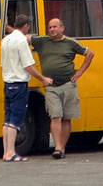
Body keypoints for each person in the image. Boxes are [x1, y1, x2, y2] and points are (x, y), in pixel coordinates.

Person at [32, 17, 95, 160]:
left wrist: (79, 73)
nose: (52, 30)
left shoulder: (70, 43)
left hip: (68, 84)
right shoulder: (42, 42)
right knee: (56, 115)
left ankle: (62, 147)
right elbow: (24, 37)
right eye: (50, 27)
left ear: (62, 28)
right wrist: (9, 27)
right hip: (51, 86)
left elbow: (90, 53)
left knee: (67, 118)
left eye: (55, 27)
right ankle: (57, 147)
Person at [0, 14, 45, 162]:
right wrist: (42, 78)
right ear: (26, 26)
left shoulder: (5, 40)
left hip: (8, 83)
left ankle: (6, 152)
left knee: (7, 119)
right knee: (16, 119)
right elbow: (28, 65)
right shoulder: (21, 41)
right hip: (19, 83)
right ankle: (11, 152)